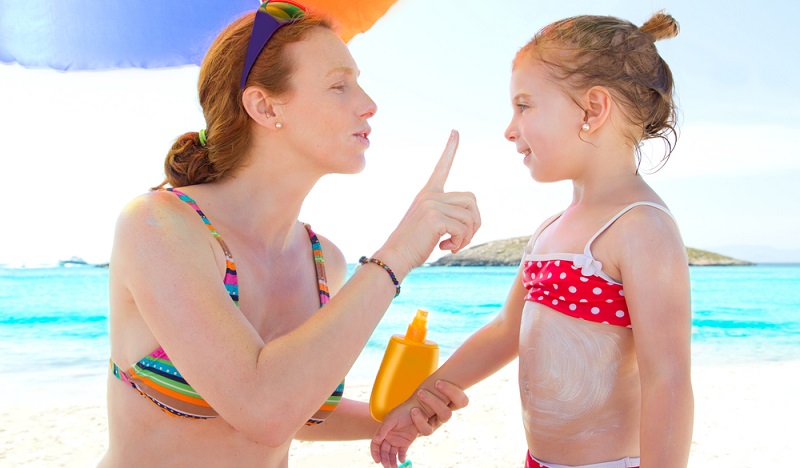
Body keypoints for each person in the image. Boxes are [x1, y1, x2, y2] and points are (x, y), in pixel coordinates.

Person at [99, 1, 480, 466]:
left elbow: (292, 411)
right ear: (263, 106)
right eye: (339, 85)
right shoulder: (159, 225)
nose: (369, 104)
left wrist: (394, 416)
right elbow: (262, 408)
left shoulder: (325, 261)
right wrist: (398, 253)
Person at [371, 11, 693, 468]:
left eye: (524, 105)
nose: (509, 128)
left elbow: (669, 379)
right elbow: (505, 332)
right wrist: (418, 402)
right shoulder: (548, 231)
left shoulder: (642, 227)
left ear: (593, 110)